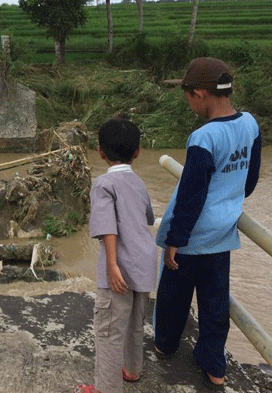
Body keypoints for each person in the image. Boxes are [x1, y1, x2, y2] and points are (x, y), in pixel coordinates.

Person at [154, 57, 262, 388]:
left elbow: (191, 197)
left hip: (191, 238)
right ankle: (215, 366)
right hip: (222, 234)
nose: (188, 102)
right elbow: (251, 179)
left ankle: (165, 345)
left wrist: (175, 239)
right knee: (215, 304)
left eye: (187, 95)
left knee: (173, 296)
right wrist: (228, 202)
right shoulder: (250, 125)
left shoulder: (204, 137)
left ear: (200, 94)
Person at [76, 118, 158, 393]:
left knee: (109, 332)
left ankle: (105, 388)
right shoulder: (139, 184)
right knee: (136, 322)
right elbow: (148, 217)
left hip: (120, 266)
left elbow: (106, 226)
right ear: (137, 152)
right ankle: (132, 370)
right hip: (145, 263)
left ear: (100, 151)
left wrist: (111, 264)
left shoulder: (103, 184)